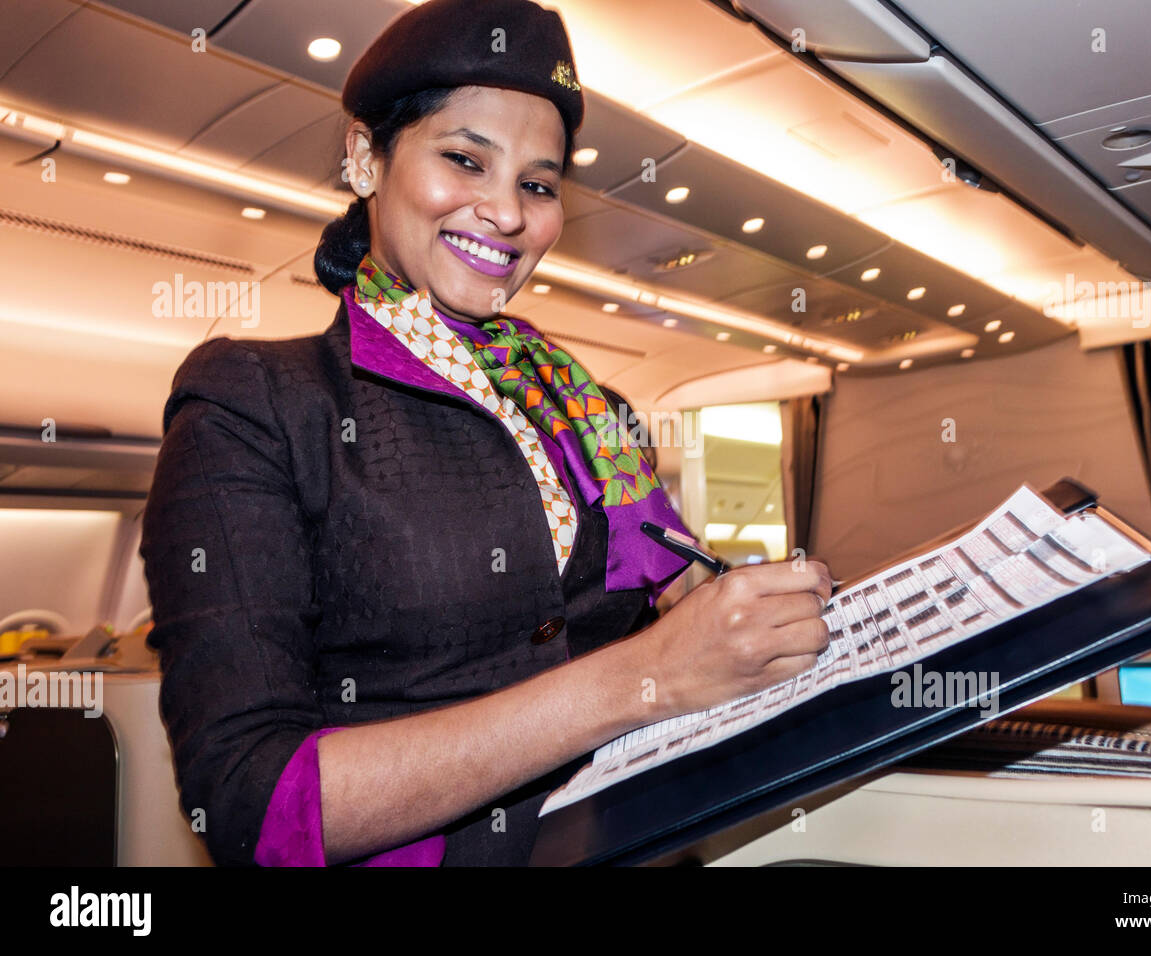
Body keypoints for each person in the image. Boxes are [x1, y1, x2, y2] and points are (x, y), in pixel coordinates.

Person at [139, 0, 832, 867]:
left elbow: (673, 588)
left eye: (537, 185)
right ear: (365, 157)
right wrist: (638, 680)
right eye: (465, 160)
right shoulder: (258, 401)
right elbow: (251, 803)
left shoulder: (591, 413)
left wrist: (747, 616)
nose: (506, 214)